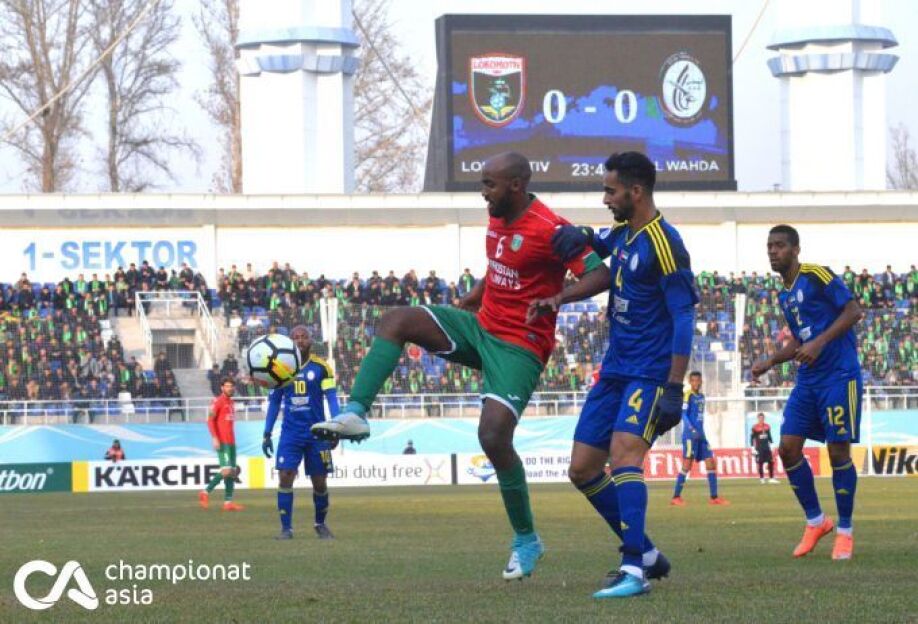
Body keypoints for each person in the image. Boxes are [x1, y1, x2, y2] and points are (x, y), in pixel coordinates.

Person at [312, 152, 608, 581]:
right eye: (482, 183)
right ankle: (356, 412)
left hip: (519, 345)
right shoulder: (498, 216)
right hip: (481, 326)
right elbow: (503, 266)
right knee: (396, 321)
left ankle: (526, 539)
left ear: (516, 185)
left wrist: (558, 298)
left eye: (489, 184)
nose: (483, 192)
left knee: (492, 436)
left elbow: (600, 275)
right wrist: (476, 294)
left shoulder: (550, 228)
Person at [550, 151, 697, 599]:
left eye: (610, 191)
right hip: (615, 368)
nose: (605, 198)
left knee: (624, 456)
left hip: (649, 373)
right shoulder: (625, 235)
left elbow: (684, 316)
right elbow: (602, 259)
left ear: (636, 191)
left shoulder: (665, 243)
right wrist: (562, 292)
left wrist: (674, 387)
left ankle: (633, 569)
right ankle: (647, 552)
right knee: (582, 468)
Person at [751, 224, 863, 560]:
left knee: (838, 452)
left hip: (839, 375)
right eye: (769, 246)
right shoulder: (784, 294)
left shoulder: (816, 275)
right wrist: (770, 361)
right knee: (787, 449)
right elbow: (800, 340)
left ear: (796, 249)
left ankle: (845, 531)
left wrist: (819, 342)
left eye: (780, 245)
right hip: (809, 379)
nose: (773, 251)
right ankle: (816, 521)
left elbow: (854, 311)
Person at [262, 326, 340, 540]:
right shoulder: (280, 368)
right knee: (285, 476)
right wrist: (267, 432)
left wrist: (336, 427)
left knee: (320, 481)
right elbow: (275, 403)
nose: (300, 340)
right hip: (291, 434)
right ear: (290, 342)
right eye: (295, 337)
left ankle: (320, 524)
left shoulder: (322, 367)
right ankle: (286, 529)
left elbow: (332, 398)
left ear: (311, 341)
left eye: (304, 337)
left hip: (317, 433)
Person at [670, 371, 729, 506]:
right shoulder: (688, 395)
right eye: (693, 381)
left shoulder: (702, 397)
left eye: (698, 380)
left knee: (711, 462)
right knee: (687, 465)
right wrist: (691, 428)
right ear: (690, 382)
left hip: (701, 435)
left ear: (701, 382)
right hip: (690, 435)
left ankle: (714, 497)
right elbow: (683, 414)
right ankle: (676, 497)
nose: (696, 383)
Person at [199, 377, 244, 511]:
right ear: (222, 388)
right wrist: (214, 438)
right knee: (227, 471)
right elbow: (210, 420)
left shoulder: (231, 402)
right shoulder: (217, 402)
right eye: (227, 386)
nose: (230, 388)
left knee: (232, 472)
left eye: (231, 386)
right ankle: (205, 492)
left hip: (231, 442)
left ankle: (228, 502)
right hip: (222, 441)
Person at [750, 412, 778, 484]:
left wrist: (772, 444)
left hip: (766, 447)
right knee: (760, 463)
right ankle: (762, 478)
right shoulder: (755, 427)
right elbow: (752, 438)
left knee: (771, 462)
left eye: (762, 418)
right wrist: (752, 448)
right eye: (760, 418)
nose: (761, 419)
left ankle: (771, 478)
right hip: (759, 447)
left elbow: (769, 436)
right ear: (758, 418)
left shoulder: (767, 426)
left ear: (764, 418)